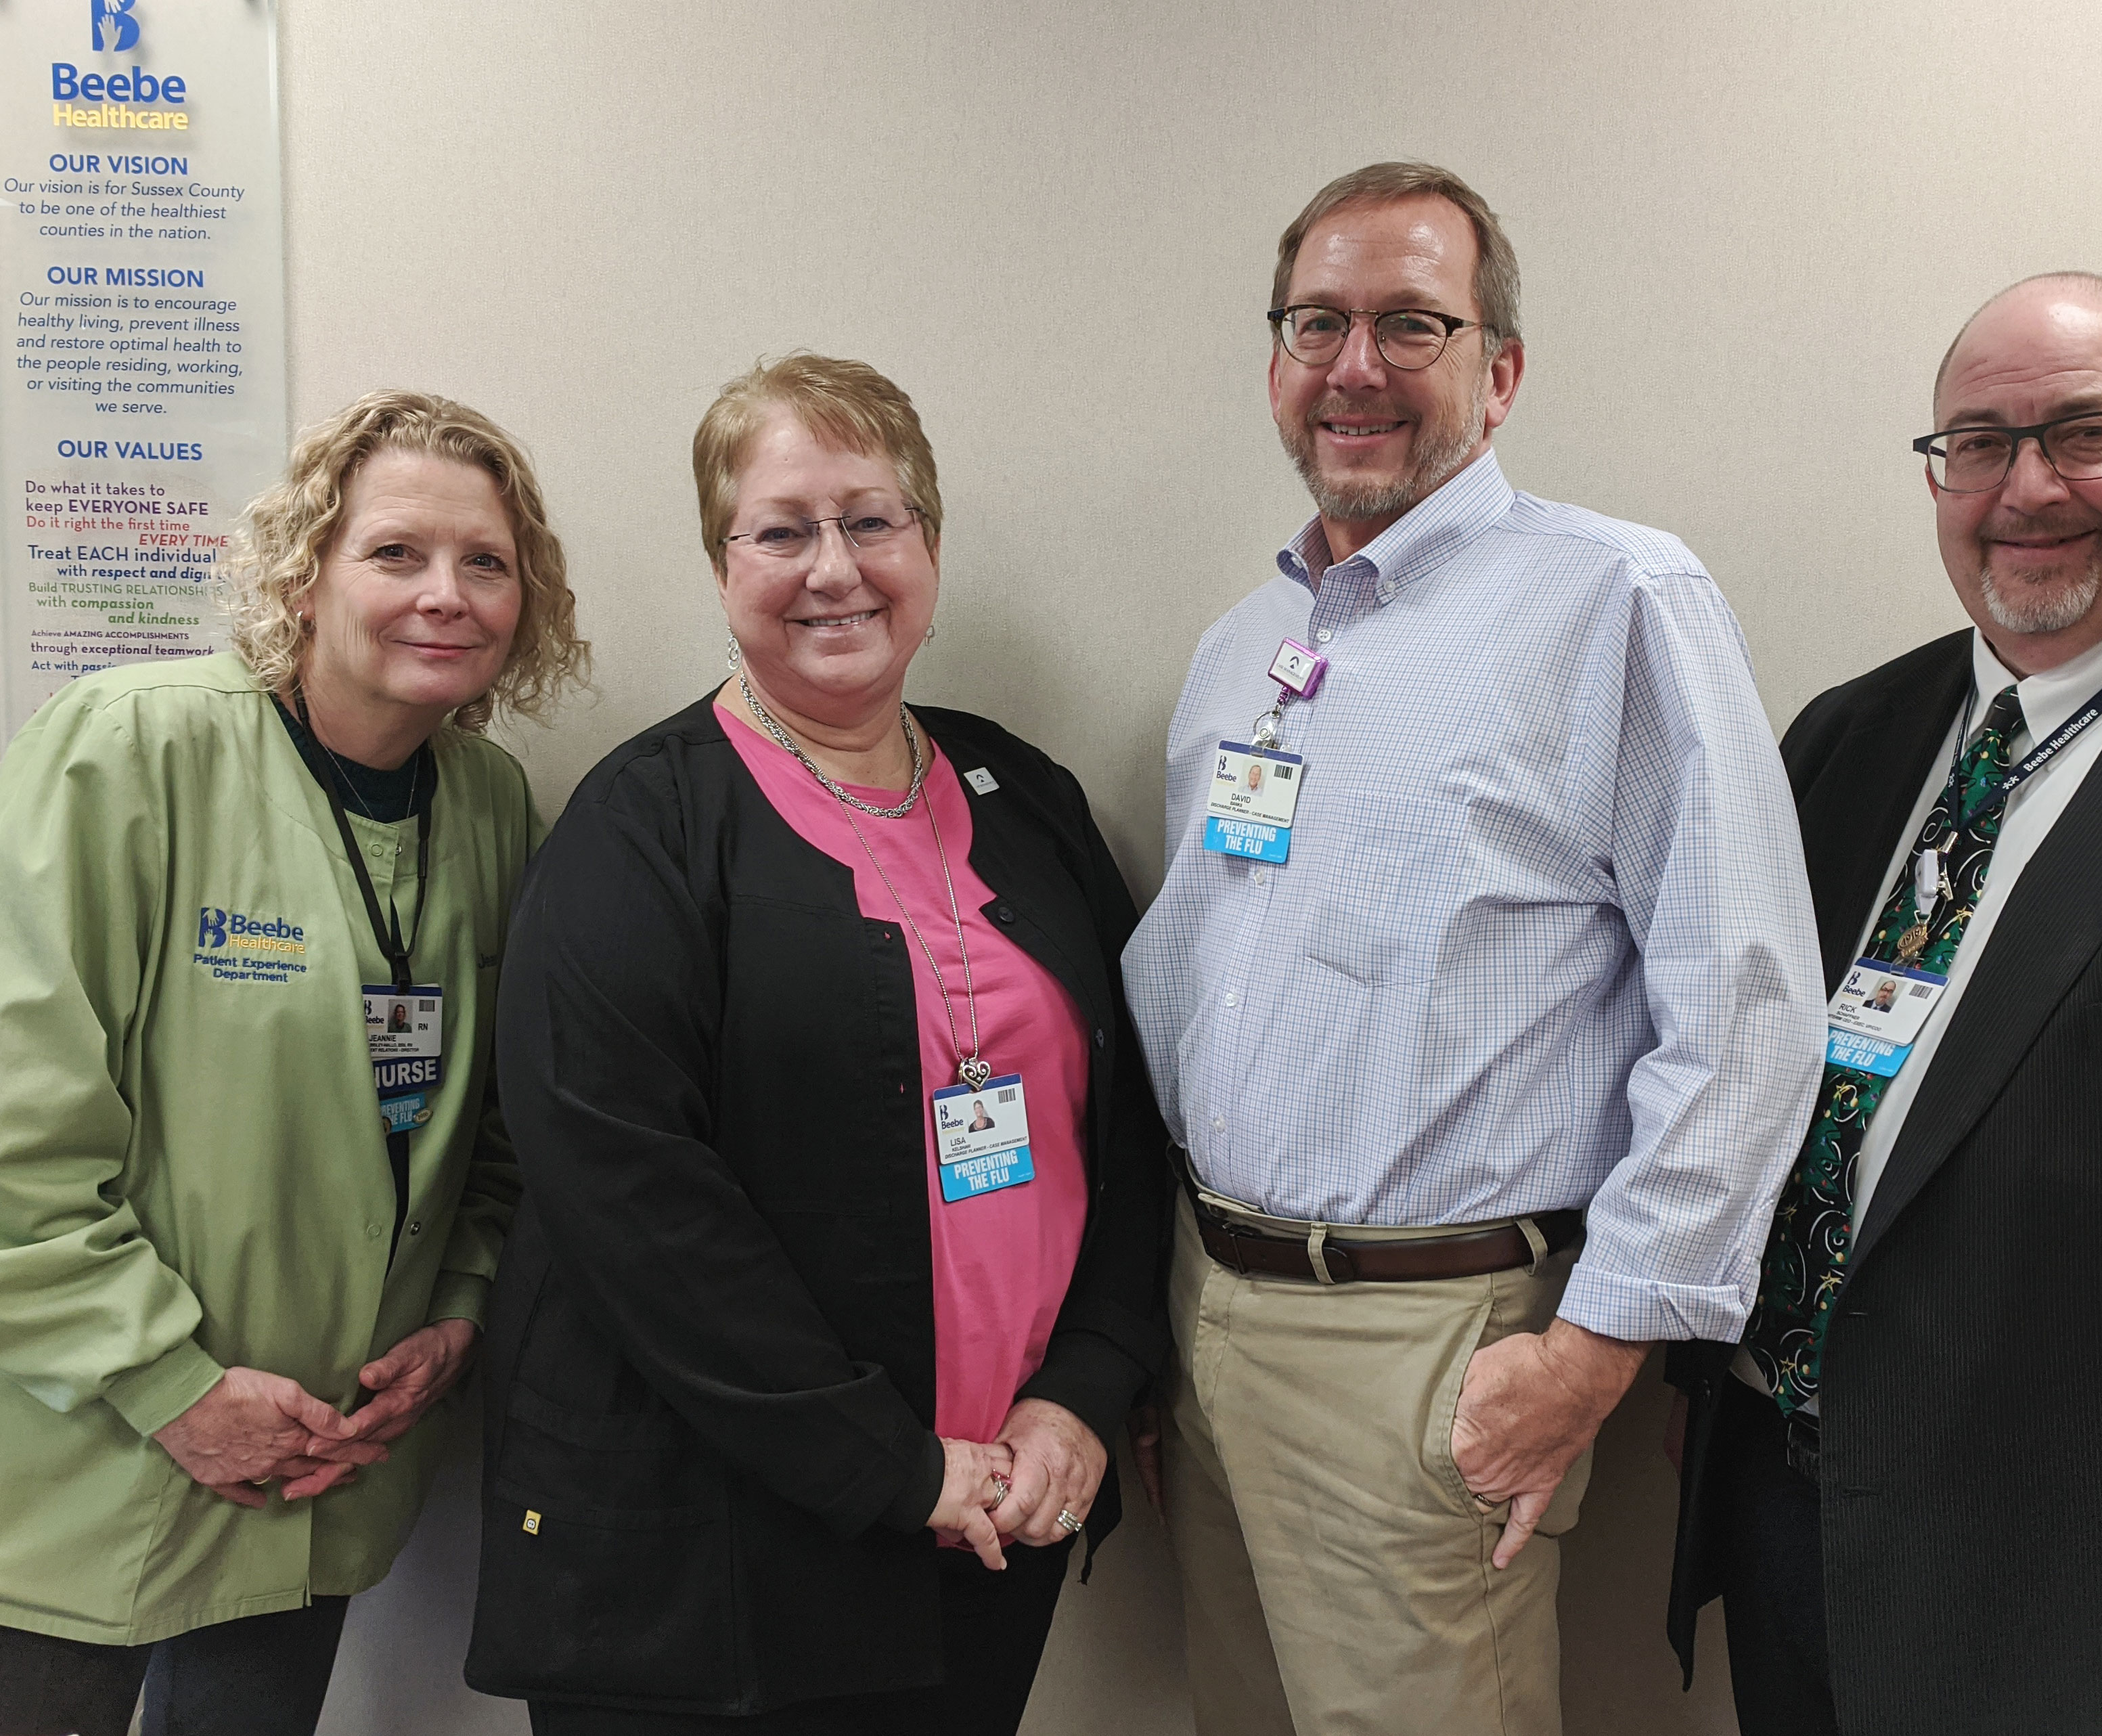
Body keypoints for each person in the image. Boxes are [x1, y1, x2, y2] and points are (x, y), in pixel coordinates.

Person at [1121, 161, 1823, 1734]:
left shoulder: (1617, 597)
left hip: (1429, 1348)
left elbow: (1749, 1003)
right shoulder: (1248, 642)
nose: (1354, 364)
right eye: (1318, 322)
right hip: (1210, 1304)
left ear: (1498, 373)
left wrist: (1599, 1339)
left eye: (1411, 323)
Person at [464, 353, 1171, 1735]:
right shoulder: (643, 828)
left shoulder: (1023, 791)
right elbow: (630, 1199)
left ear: (931, 544)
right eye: (783, 529)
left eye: (871, 520)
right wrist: (886, 1464)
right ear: (724, 566)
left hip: (999, 1514)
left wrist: (1085, 1390)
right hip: (716, 1548)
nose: (833, 566)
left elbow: (1134, 1126)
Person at [1665, 274, 2102, 1736]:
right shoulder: (1851, 735)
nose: (2025, 487)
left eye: (2084, 434)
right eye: (1979, 442)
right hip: (1795, 1522)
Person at [0, 390, 586, 1736]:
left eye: (485, 562)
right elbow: (17, 1133)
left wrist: (463, 1307)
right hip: (89, 1454)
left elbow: (502, 1123)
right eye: (395, 552)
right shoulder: (131, 749)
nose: (445, 593)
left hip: (322, 1467)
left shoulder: (492, 807)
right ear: (302, 570)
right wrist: (174, 1388)